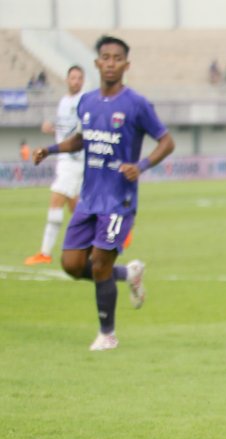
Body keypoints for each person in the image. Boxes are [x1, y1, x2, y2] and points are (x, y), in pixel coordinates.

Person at [32, 35, 175, 352]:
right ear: (97, 63)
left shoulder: (136, 104)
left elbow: (167, 141)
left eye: (117, 58)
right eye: (105, 57)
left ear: (126, 64)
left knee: (99, 263)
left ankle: (107, 334)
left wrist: (142, 165)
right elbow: (80, 139)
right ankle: (130, 273)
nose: (111, 63)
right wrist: (52, 149)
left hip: (118, 201)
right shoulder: (87, 102)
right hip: (89, 198)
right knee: (71, 264)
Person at [25, 65, 86, 266]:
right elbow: (65, 131)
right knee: (76, 209)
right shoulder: (63, 102)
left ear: (83, 81)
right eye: (73, 77)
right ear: (67, 80)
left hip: (73, 160)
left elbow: (79, 134)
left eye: (79, 78)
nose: (76, 81)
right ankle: (108, 235)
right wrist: (52, 130)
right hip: (64, 159)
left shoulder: (83, 101)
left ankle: (45, 252)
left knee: (56, 201)